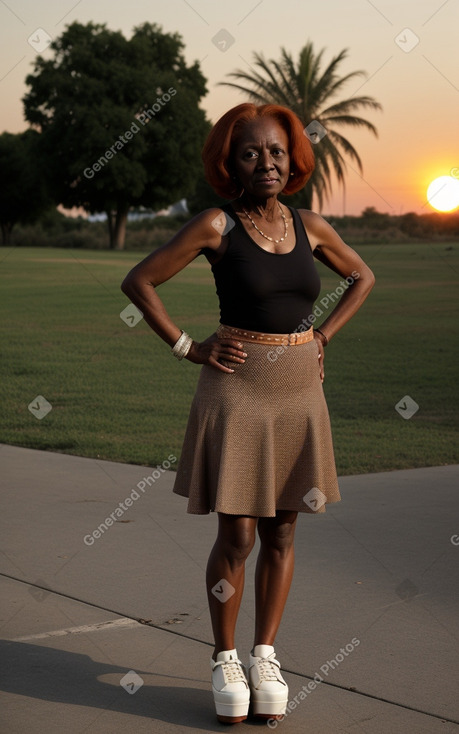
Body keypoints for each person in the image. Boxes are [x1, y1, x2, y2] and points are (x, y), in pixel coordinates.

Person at [121, 103, 375, 724]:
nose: (266, 161)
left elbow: (362, 276)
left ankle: (266, 654)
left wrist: (324, 337)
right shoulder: (217, 224)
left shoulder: (310, 225)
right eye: (250, 152)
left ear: (293, 161)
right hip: (235, 390)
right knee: (236, 535)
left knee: (283, 531)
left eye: (276, 152)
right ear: (230, 164)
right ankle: (224, 657)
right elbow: (139, 281)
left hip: (298, 392)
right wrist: (191, 347)